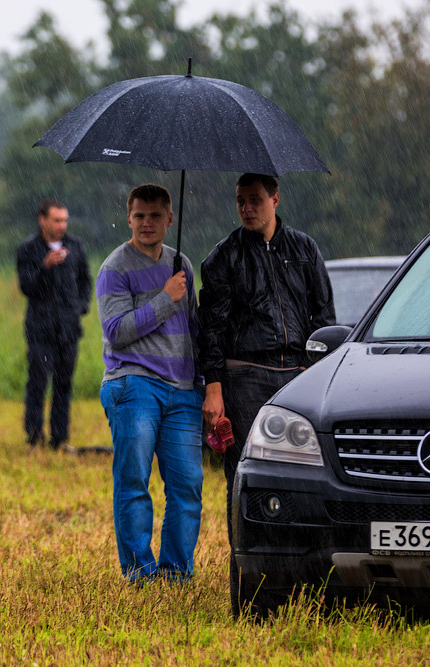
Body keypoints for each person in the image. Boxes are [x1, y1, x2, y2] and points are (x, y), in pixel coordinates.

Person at [197, 172, 335, 548]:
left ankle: (301, 558)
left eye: (254, 199)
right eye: (240, 199)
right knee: (245, 474)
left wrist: (314, 370)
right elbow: (210, 330)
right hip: (244, 377)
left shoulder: (305, 250)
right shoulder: (223, 257)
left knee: (304, 473)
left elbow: (324, 316)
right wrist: (213, 389)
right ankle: (247, 564)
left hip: (299, 375)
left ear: (276, 200)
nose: (246, 207)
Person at [96, 183, 204, 583]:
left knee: (188, 484)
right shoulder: (114, 268)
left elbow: (192, 328)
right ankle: (140, 572)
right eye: (139, 216)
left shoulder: (182, 265)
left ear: (170, 219)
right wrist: (164, 298)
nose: (147, 223)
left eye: (155, 216)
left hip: (182, 390)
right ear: (128, 218)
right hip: (134, 384)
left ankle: (176, 572)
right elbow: (116, 330)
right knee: (134, 480)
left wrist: (203, 384)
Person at [15, 199, 92, 450]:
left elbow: (85, 280)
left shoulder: (75, 245)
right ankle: (35, 437)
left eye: (64, 220)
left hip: (68, 329)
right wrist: (44, 266)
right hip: (40, 330)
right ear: (42, 220)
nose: (62, 225)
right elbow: (26, 287)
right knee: (37, 384)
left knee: (63, 385)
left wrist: (81, 305)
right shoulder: (28, 249)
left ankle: (60, 439)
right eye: (57, 220)